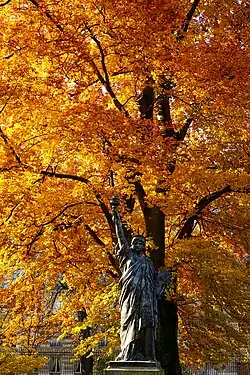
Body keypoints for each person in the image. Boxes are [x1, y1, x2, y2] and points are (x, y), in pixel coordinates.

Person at [111, 201, 171, 362]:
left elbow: (155, 287)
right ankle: (128, 354)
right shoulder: (127, 257)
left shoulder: (149, 263)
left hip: (146, 301)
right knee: (128, 324)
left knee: (147, 327)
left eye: (141, 243)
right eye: (135, 242)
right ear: (131, 245)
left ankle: (146, 355)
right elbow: (120, 237)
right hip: (130, 299)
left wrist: (163, 280)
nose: (138, 244)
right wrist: (116, 217)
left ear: (144, 247)